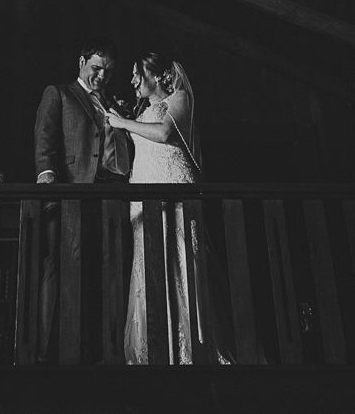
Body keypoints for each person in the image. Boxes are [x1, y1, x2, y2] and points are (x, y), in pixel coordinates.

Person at [105, 53, 229, 365]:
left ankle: (188, 349)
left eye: (138, 73)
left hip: (173, 188)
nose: (133, 80)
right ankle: (153, 347)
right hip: (144, 189)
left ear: (158, 76)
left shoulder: (179, 99)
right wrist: (122, 118)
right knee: (149, 265)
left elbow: (163, 134)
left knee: (181, 260)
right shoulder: (141, 110)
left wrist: (121, 122)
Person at [32, 41, 133, 361]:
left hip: (112, 194)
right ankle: (50, 352)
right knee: (62, 268)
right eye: (97, 68)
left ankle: (102, 350)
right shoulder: (59, 93)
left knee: (109, 268)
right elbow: (45, 138)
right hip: (71, 194)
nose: (102, 76)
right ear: (81, 62)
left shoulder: (113, 104)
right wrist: (48, 182)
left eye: (108, 71)